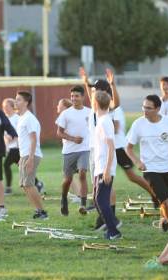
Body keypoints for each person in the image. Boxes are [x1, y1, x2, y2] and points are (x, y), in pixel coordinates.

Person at [126, 95, 168, 232]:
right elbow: (128, 148)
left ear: (158, 109)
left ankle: (164, 218)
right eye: (143, 107)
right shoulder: (138, 124)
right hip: (150, 170)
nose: (144, 110)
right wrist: (137, 162)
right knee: (165, 200)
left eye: (148, 108)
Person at [80, 67, 121, 228]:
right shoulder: (95, 108)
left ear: (104, 93)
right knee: (98, 188)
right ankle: (105, 218)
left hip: (103, 152)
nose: (92, 92)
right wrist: (85, 82)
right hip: (95, 150)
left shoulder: (106, 110)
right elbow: (91, 95)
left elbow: (115, 104)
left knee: (105, 188)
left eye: (96, 89)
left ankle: (110, 218)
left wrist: (113, 85)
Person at [112, 106, 159, 206]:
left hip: (119, 147)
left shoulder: (115, 109)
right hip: (109, 147)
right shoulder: (104, 109)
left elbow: (115, 129)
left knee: (132, 176)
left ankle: (156, 194)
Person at [56, 85, 90, 216]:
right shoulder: (66, 114)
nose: (74, 98)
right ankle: (64, 198)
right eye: (72, 96)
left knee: (82, 173)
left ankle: (83, 204)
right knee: (68, 180)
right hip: (69, 151)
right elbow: (59, 132)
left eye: (76, 96)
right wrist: (72, 139)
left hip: (84, 149)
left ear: (83, 97)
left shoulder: (89, 112)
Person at [15, 91, 48, 219]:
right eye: (16, 99)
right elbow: (24, 140)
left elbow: (34, 139)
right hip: (24, 155)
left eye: (18, 100)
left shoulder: (29, 118)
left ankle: (42, 212)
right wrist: (21, 157)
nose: (16, 102)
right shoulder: (21, 118)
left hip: (31, 155)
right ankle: (38, 210)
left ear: (26, 102)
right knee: (24, 185)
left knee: (29, 184)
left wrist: (30, 158)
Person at [2, 98, 45, 195]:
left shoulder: (17, 118)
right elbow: (4, 134)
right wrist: (6, 142)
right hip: (11, 148)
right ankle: (38, 183)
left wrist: (12, 137)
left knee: (6, 165)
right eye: (3, 107)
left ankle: (8, 188)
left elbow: (20, 133)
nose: (5, 108)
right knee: (24, 168)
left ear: (12, 107)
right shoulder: (5, 119)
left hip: (17, 148)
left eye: (7, 106)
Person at [93, 91, 121, 240]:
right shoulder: (102, 119)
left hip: (105, 167)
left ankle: (114, 231)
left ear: (96, 103)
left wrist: (107, 170)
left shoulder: (104, 121)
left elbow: (111, 147)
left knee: (101, 200)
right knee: (97, 199)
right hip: (100, 166)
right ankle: (112, 225)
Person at [56, 98, 81, 198]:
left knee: (68, 174)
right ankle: (78, 195)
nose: (57, 106)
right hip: (74, 148)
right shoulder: (73, 116)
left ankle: (79, 196)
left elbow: (60, 133)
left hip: (71, 149)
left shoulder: (63, 116)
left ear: (65, 107)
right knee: (70, 174)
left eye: (59, 105)